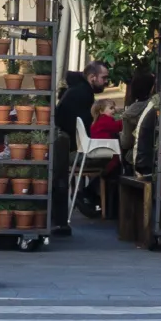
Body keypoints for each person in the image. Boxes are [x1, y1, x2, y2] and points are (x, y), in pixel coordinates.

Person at [52, 58, 108, 231]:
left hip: (66, 143)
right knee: (113, 160)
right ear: (92, 77)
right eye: (104, 78)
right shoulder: (84, 93)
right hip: (70, 147)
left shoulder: (76, 89)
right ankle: (87, 195)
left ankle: (88, 196)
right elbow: (83, 126)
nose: (107, 82)